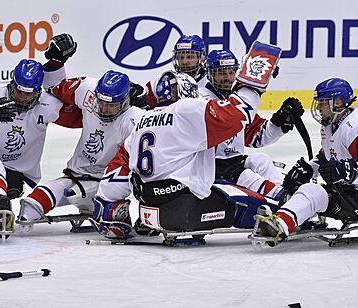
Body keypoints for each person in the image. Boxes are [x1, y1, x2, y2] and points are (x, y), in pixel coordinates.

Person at [92, 44, 286, 239]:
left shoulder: (143, 120)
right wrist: (253, 84)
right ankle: (290, 212)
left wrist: (105, 201)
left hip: (150, 208)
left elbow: (120, 165)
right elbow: (234, 117)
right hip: (185, 209)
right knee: (262, 207)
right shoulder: (185, 111)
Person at [18, 34, 145, 225]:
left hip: (107, 184)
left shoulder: (134, 118)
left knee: (111, 218)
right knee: (31, 205)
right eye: (101, 102)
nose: (104, 108)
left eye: (112, 105)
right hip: (75, 175)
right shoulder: (88, 91)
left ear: (125, 101)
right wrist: (56, 61)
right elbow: (54, 88)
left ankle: (112, 209)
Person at [0, 57, 81, 237]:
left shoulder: (48, 105)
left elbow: (86, 117)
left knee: (10, 182)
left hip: (15, 177)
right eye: (19, 90)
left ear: (38, 91)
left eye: (29, 93)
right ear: (12, 82)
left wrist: (56, 65)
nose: (23, 97)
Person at [257, 78, 358, 246]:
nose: (319, 107)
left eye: (323, 102)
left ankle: (279, 225)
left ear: (338, 101)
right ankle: (287, 215)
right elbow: (327, 157)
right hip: (350, 192)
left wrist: (347, 172)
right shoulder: (329, 125)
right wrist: (309, 168)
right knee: (300, 186)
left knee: (312, 191)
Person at [200, 49, 304, 200]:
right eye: (221, 73)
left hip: (233, 163)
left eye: (231, 72)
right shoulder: (201, 98)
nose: (228, 78)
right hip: (209, 168)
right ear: (210, 74)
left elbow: (256, 137)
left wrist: (280, 122)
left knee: (259, 159)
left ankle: (286, 190)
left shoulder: (236, 100)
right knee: (247, 177)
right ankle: (282, 197)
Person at [145, 34, 207, 109]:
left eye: (190, 57)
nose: (184, 62)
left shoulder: (211, 84)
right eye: (180, 57)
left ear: (202, 58)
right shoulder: (158, 83)